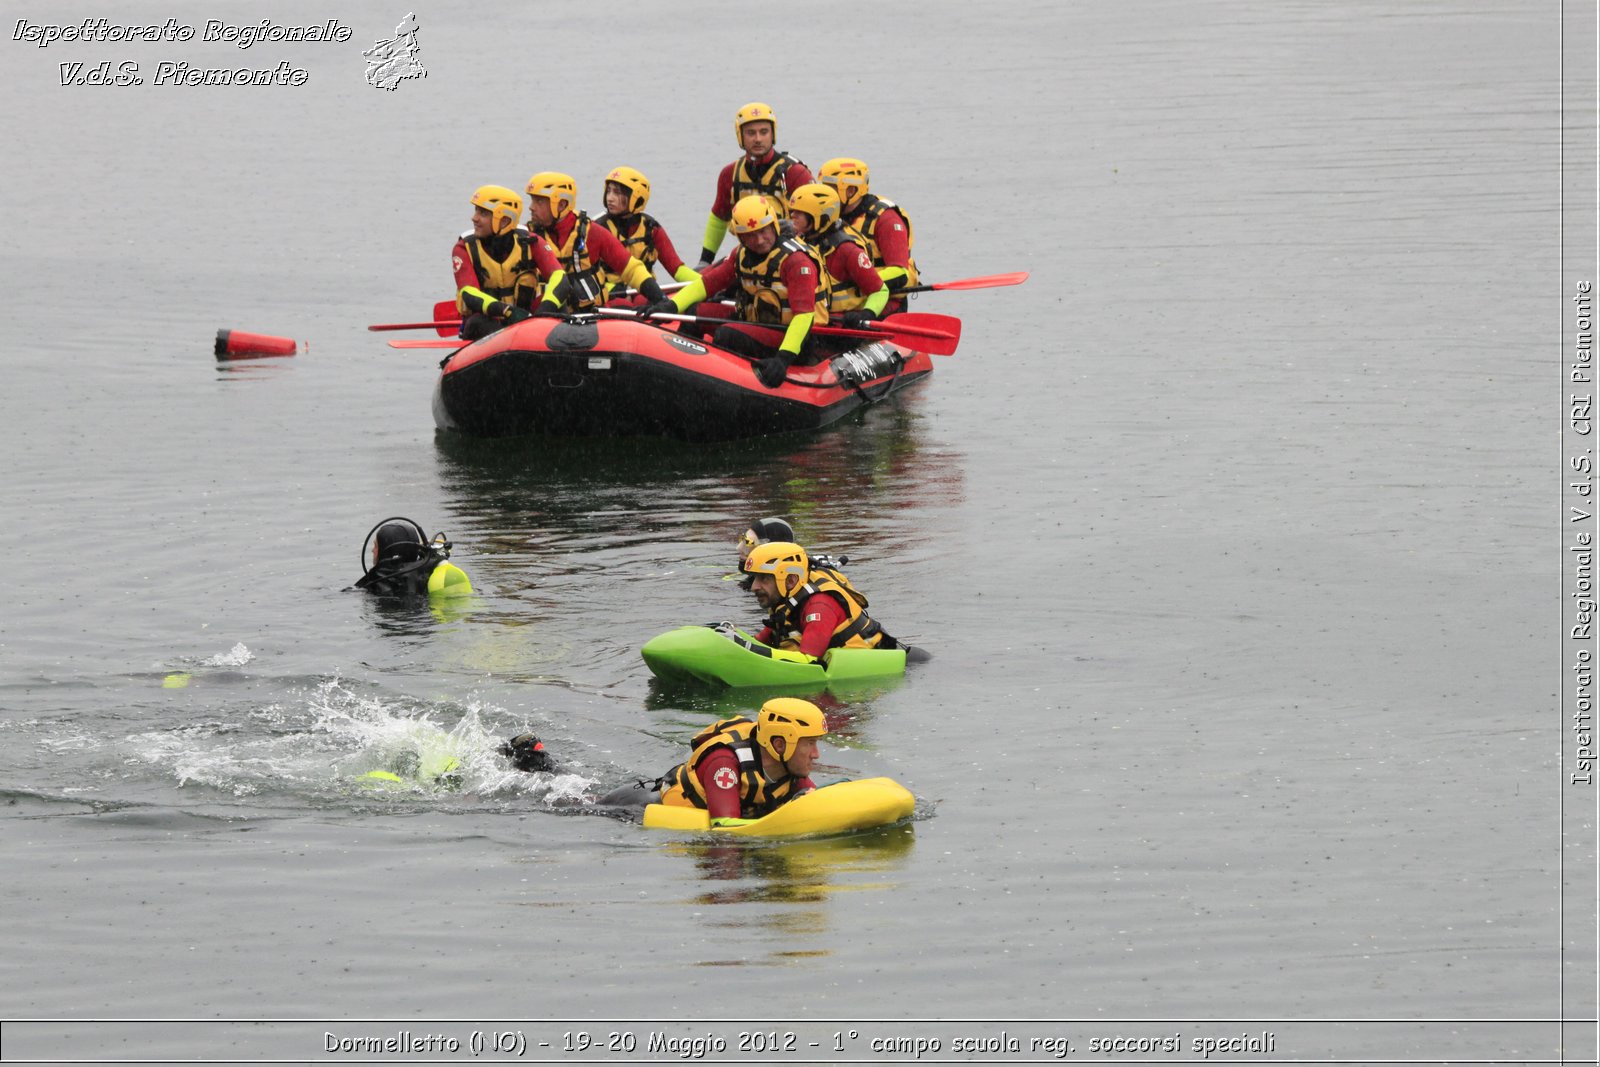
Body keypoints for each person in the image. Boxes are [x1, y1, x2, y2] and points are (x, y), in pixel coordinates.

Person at [646, 195, 829, 388]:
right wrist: (671, 306)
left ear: (773, 225)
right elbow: (707, 284)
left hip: (797, 336)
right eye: (751, 235)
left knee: (727, 334)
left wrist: (783, 359)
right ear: (741, 237)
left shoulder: (795, 261)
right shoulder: (740, 255)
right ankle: (678, 375)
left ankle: (720, 385)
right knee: (694, 313)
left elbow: (804, 316)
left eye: (763, 231)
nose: (759, 240)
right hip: (757, 322)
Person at [655, 698, 827, 825]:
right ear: (780, 745)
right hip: (642, 811)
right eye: (810, 743)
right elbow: (725, 830)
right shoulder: (724, 763)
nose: (816, 754)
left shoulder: (792, 769)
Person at [522, 171, 669, 314]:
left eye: (539, 201)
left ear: (561, 204)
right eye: (532, 200)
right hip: (546, 316)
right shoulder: (526, 238)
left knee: (623, 306)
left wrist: (660, 299)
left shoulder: (591, 232)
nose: (531, 207)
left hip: (590, 315)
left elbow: (631, 270)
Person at [697, 102, 815, 268]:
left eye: (764, 132)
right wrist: (705, 261)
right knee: (705, 279)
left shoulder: (795, 173)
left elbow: (819, 220)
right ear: (741, 136)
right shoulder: (729, 174)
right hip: (749, 252)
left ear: (772, 134)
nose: (758, 139)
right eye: (751, 133)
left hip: (791, 256)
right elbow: (719, 219)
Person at [741, 541, 899, 657]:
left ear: (790, 580)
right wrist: (730, 636)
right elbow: (760, 642)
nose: (754, 586)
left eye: (764, 579)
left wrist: (750, 649)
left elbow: (808, 663)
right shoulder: (786, 603)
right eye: (755, 578)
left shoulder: (819, 606)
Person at [817, 158, 920, 311]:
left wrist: (861, 281)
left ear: (851, 191)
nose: (823, 196)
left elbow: (900, 272)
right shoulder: (831, 215)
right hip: (843, 302)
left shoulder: (886, 220)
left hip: (885, 302)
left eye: (830, 189)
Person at [786, 183, 890, 329]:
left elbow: (880, 291)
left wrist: (866, 315)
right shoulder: (797, 243)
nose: (792, 216)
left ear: (820, 216)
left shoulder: (847, 250)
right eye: (793, 211)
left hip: (842, 327)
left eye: (799, 212)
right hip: (811, 323)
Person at [593, 166, 700, 306]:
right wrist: (619, 290)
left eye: (617, 193)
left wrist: (706, 284)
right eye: (608, 191)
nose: (610, 198)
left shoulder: (651, 228)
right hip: (610, 292)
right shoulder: (597, 229)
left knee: (643, 301)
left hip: (645, 290)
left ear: (636, 197)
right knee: (624, 304)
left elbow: (677, 269)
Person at [451, 185, 538, 340]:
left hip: (523, 324)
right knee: (478, 322)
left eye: (483, 213)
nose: (474, 218)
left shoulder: (529, 242)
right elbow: (469, 293)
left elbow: (559, 277)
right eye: (476, 211)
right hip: (482, 325)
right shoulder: (464, 248)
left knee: (559, 309)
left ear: (504, 220)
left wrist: (545, 312)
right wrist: (506, 311)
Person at [350, 518, 472, 598]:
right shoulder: (427, 570)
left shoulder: (377, 582)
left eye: (376, 546)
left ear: (386, 550)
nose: (372, 550)